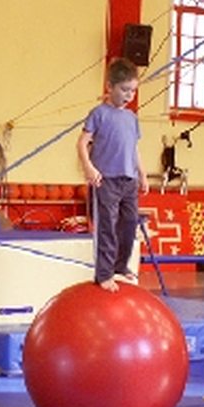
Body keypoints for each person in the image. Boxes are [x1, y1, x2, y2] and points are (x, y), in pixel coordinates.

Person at [77, 58, 149, 292]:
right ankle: (104, 273)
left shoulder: (132, 118)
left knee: (129, 224)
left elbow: (134, 149)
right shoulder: (99, 113)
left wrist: (143, 174)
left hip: (128, 180)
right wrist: (89, 167)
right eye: (125, 90)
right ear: (110, 86)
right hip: (105, 179)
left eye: (133, 91)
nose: (129, 96)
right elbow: (82, 142)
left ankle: (120, 267)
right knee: (107, 226)